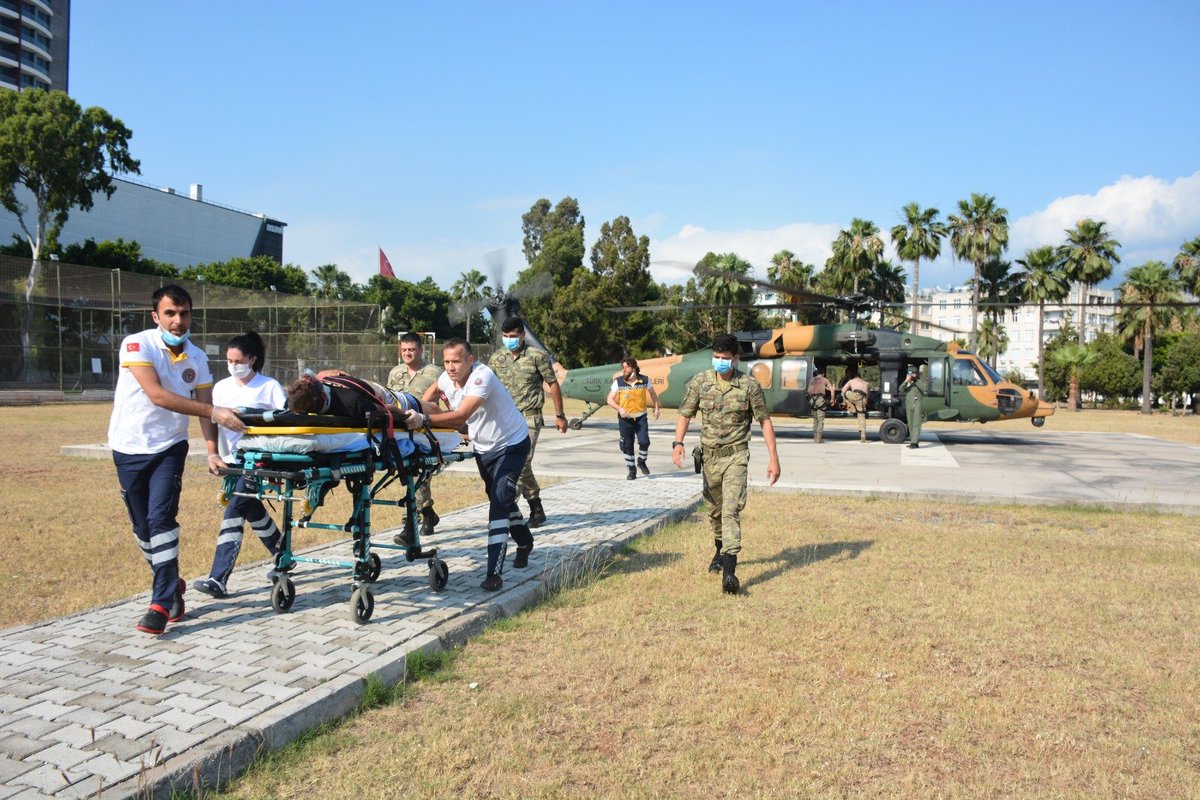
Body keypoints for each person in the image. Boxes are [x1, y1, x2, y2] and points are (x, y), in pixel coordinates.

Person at [108, 284, 246, 635]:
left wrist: (212, 451)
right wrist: (215, 410)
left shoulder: (197, 358)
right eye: (170, 313)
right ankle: (172, 587)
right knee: (142, 529)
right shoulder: (137, 344)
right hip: (128, 446)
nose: (178, 320)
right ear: (156, 316)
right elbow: (157, 395)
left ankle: (160, 603)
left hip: (169, 447)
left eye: (184, 313)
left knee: (160, 518)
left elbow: (202, 409)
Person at [405, 338, 533, 591]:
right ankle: (525, 540)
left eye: (456, 361)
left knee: (499, 499)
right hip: (484, 448)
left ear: (470, 360)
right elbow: (426, 399)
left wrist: (425, 419)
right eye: (447, 362)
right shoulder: (445, 378)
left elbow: (463, 416)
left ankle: (493, 573)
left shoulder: (481, 377)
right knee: (500, 497)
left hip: (512, 444)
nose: (451, 367)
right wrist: (410, 408)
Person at [671, 334, 780, 595]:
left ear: (736, 358)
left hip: (736, 457)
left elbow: (764, 421)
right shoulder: (700, 382)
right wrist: (677, 443)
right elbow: (685, 413)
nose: (720, 362)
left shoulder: (749, 386)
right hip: (709, 457)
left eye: (725, 358)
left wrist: (774, 458)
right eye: (717, 358)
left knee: (731, 509)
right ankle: (719, 550)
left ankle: (730, 571)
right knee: (715, 511)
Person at [194, 332, 287, 599]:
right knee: (250, 507)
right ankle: (282, 552)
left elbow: (285, 423)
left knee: (235, 509)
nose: (233, 365)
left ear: (253, 359)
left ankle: (218, 578)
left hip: (259, 459)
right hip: (232, 459)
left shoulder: (268, 386)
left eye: (238, 360)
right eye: (229, 360)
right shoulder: (221, 387)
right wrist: (213, 453)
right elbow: (210, 419)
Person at [488, 315, 567, 528]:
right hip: (504, 418)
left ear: (522, 335)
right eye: (505, 336)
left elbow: (553, 385)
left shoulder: (537, 356)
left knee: (521, 462)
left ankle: (505, 509)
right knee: (517, 464)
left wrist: (560, 415)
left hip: (529, 417)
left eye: (513, 336)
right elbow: (488, 387)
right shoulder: (497, 358)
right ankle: (535, 503)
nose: (509, 339)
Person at [387, 332, 445, 544]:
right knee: (414, 475)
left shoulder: (434, 373)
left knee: (417, 474)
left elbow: (448, 399)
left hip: (424, 430)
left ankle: (409, 523)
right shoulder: (396, 373)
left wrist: (455, 424)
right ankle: (428, 513)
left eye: (411, 350)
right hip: (402, 434)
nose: (407, 354)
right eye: (404, 350)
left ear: (421, 350)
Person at [606, 357, 662, 480]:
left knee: (645, 442)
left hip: (641, 417)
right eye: (623, 367)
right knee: (628, 445)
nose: (624, 370)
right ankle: (632, 470)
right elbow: (609, 399)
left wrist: (656, 408)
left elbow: (652, 393)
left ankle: (641, 461)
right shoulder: (618, 382)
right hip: (625, 419)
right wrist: (619, 408)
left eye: (626, 367)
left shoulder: (645, 380)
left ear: (634, 368)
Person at [841, 365, 871, 444]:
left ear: (854, 376)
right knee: (862, 417)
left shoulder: (851, 381)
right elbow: (869, 394)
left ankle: (852, 408)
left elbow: (843, 389)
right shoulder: (866, 383)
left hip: (855, 396)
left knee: (844, 393)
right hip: (863, 400)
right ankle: (863, 436)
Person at [900, 364, 926, 449]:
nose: (912, 375)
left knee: (916, 424)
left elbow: (924, 389)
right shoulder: (908, 383)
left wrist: (915, 380)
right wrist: (906, 381)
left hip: (917, 405)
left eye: (914, 373)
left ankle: (914, 443)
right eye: (911, 374)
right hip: (909, 406)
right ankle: (913, 441)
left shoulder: (920, 382)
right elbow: (901, 389)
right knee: (910, 424)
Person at [806, 366, 834, 444]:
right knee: (820, 420)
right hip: (820, 400)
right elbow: (832, 390)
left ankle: (815, 438)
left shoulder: (812, 380)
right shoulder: (825, 380)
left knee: (815, 420)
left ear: (817, 373)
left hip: (812, 400)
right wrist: (832, 399)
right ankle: (819, 439)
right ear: (823, 373)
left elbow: (808, 392)